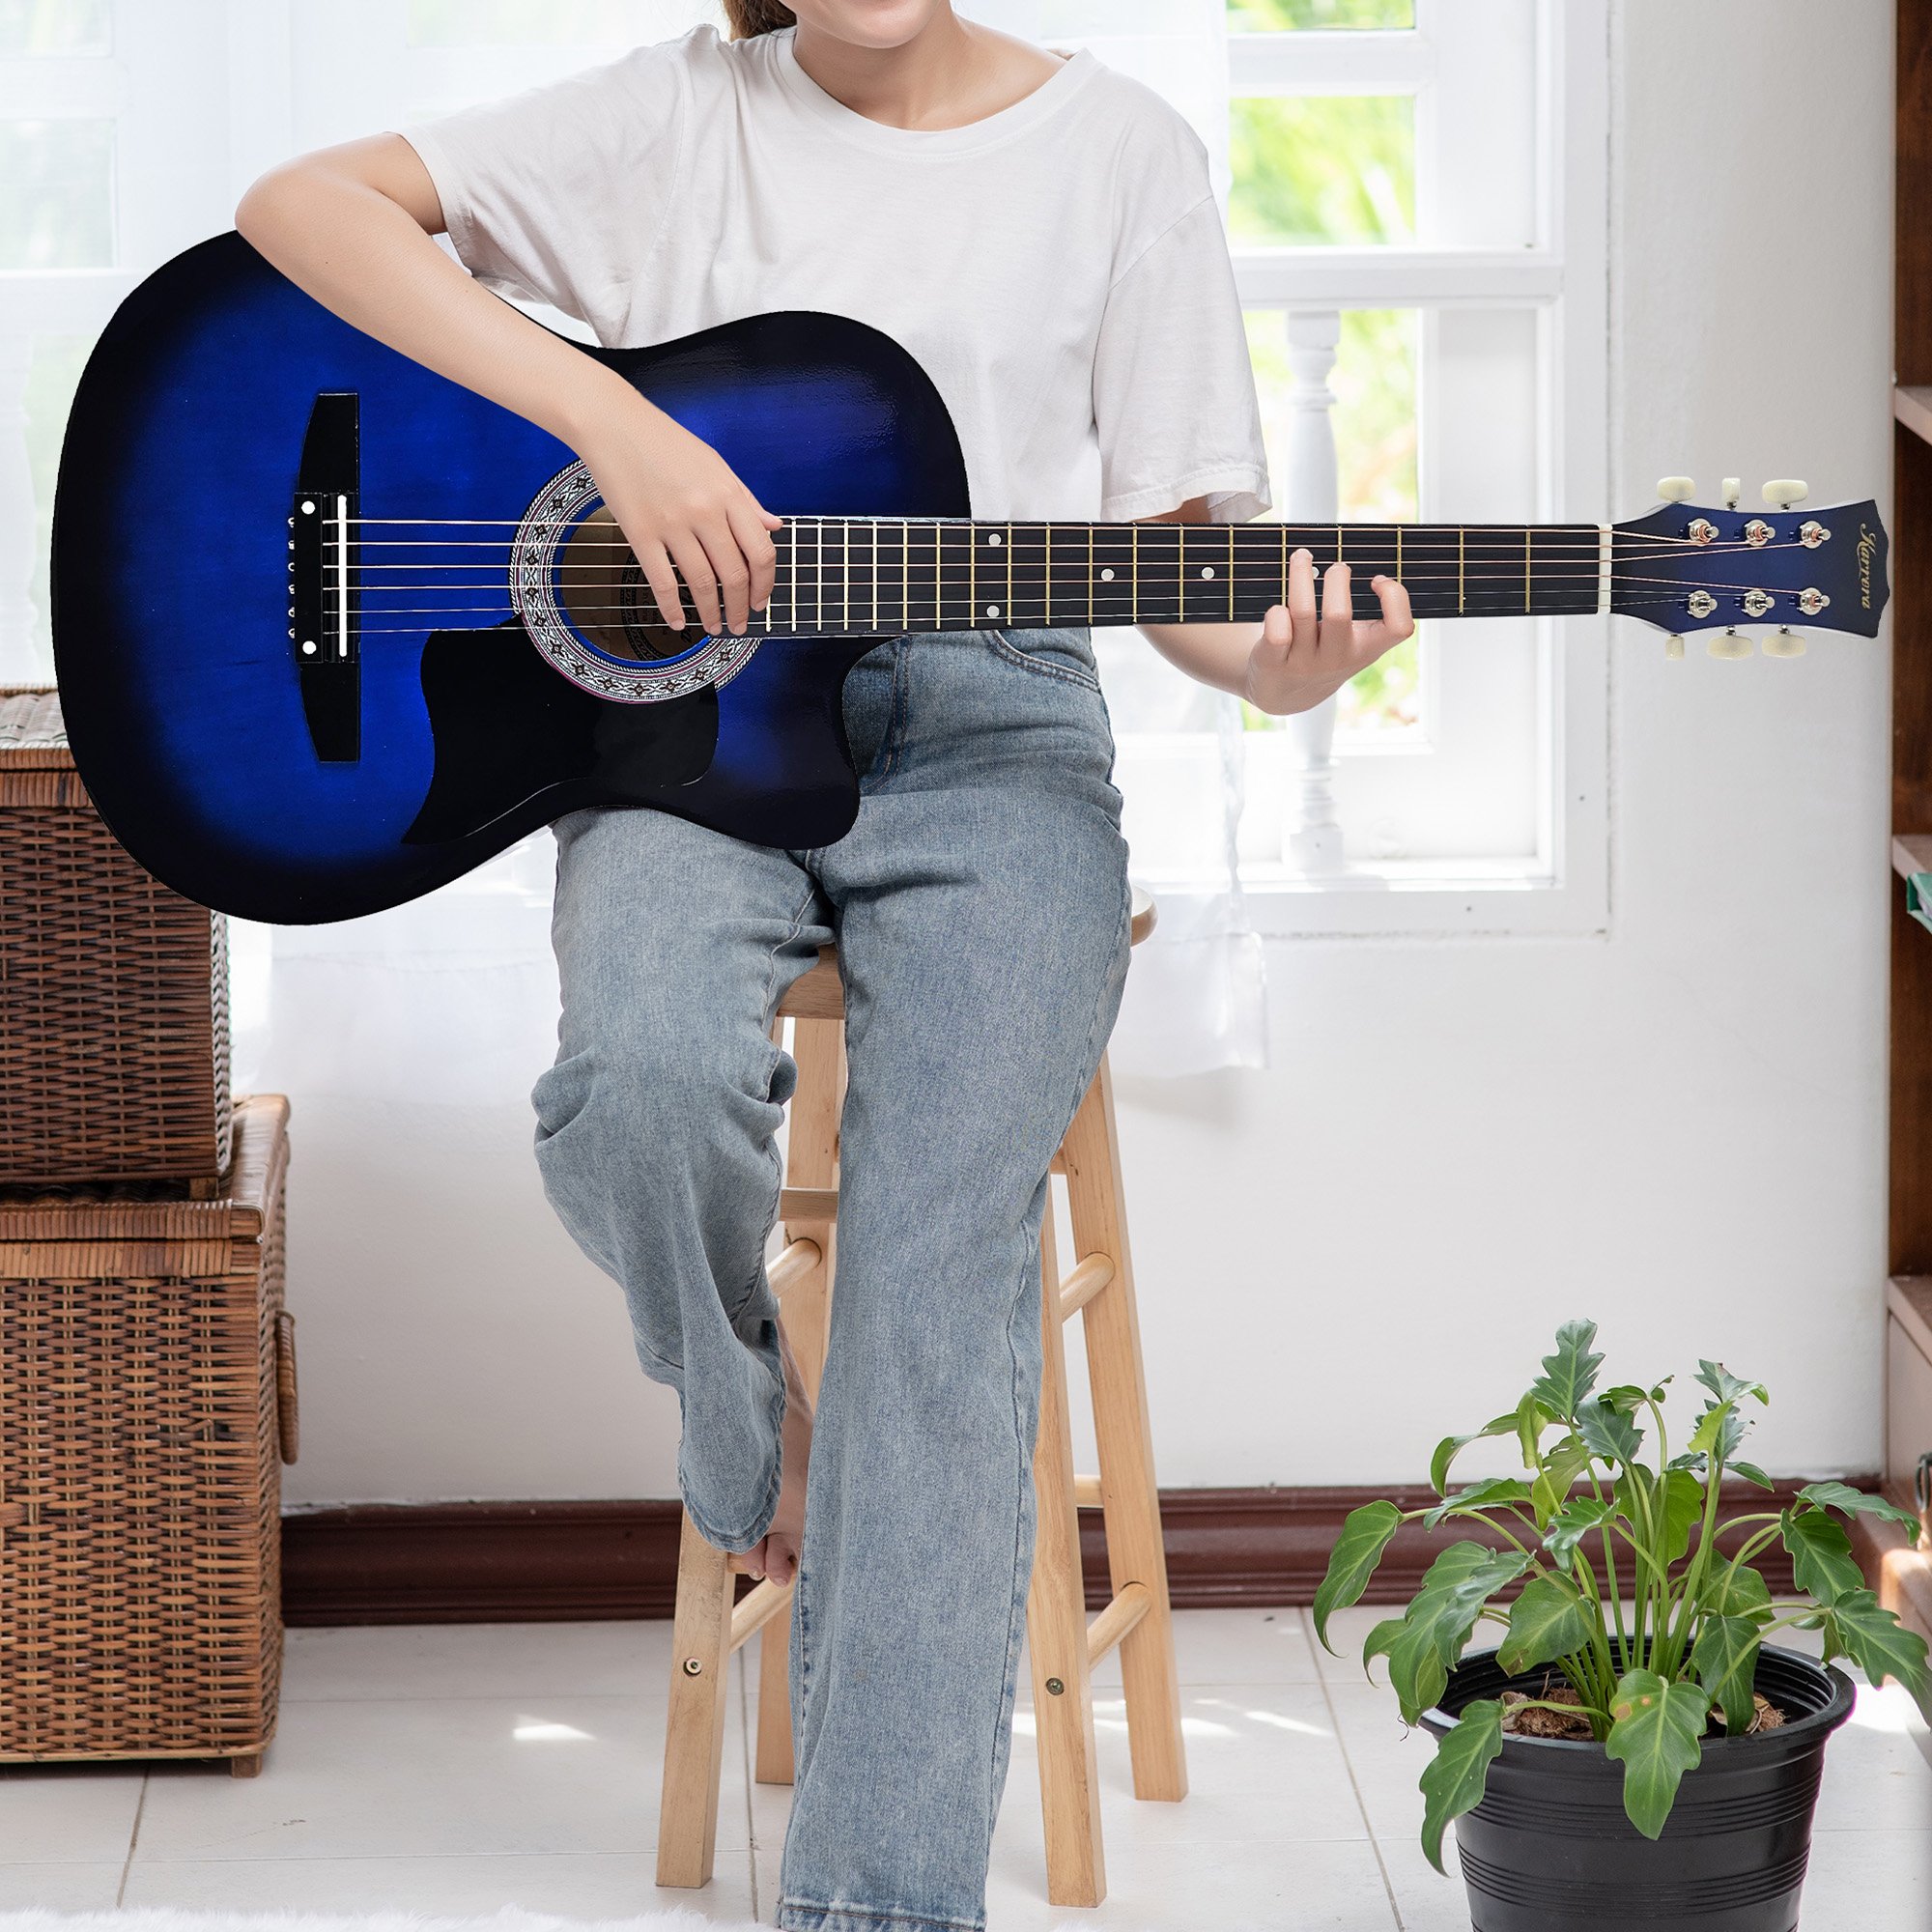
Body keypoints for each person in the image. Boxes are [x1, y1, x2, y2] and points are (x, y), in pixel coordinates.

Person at [236, 5, 1412, 1926]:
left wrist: (1280, 674)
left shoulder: (1118, 150)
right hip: (690, 734)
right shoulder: (671, 114)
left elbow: (1194, 566)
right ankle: (747, 1423)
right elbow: (299, 208)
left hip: (999, 739)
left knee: (938, 1275)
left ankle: (874, 1905)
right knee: (639, 1083)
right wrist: (616, 427)